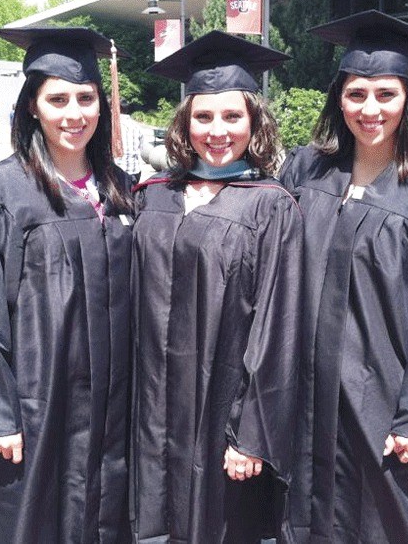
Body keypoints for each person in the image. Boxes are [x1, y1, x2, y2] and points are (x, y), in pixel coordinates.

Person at [279, 11, 408, 544]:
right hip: (305, 404)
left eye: (385, 94)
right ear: (338, 97)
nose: (369, 109)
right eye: (356, 94)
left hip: (382, 407)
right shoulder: (306, 170)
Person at [0, 27, 133, 543]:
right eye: (57, 99)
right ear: (32, 108)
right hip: (34, 407)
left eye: (86, 98)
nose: (74, 113)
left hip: (110, 412)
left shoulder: (121, 190)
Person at [130, 31, 303, 543]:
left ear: (254, 122)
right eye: (203, 116)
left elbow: (279, 327)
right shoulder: (154, 194)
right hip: (148, 411)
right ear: (185, 122)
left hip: (220, 418)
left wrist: (252, 435)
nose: (217, 130)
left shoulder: (271, 205)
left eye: (232, 116)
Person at [114, 98, 144, 183]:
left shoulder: (113, 126)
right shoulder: (136, 126)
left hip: (118, 172)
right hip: (135, 171)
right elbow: (141, 149)